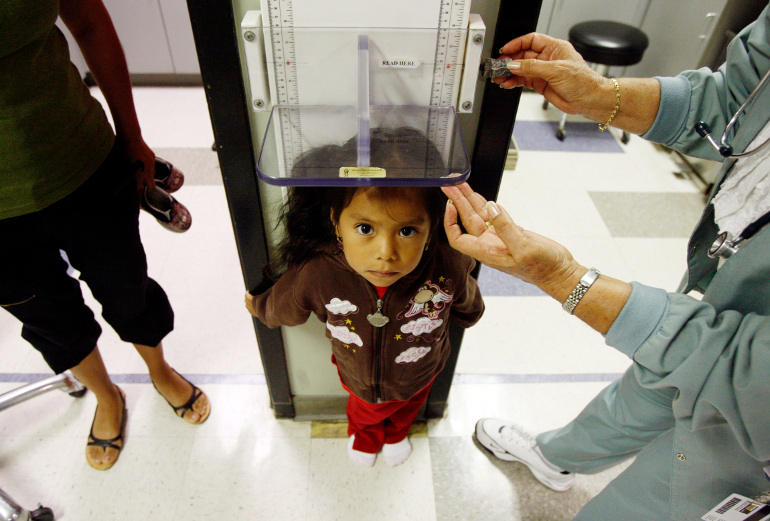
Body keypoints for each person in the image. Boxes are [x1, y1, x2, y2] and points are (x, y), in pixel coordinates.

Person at [441, 5, 770, 520]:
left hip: (757, 415)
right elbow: (738, 98)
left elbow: (747, 370)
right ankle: (555, 457)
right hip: (729, 268)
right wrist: (603, 96)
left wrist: (562, 278)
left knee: (674, 488)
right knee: (651, 384)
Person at [0, 0, 210, 471]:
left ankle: (159, 371)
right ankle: (106, 395)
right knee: (50, 318)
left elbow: (89, 20)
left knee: (127, 288)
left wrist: (131, 136)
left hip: (81, 160)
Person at [245, 128, 485, 467]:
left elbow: (467, 302)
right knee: (364, 412)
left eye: (406, 230)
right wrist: (260, 306)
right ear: (336, 223)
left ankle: (398, 433)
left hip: (422, 370)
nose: (385, 254)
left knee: (409, 408)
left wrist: (469, 313)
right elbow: (286, 303)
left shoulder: (447, 264)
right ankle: (366, 436)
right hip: (359, 377)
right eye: (365, 229)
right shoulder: (319, 272)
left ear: (431, 228)